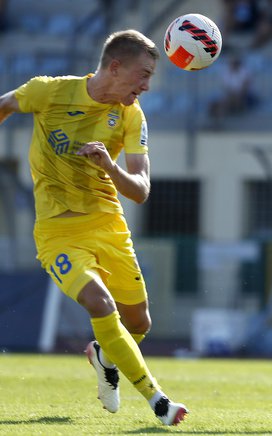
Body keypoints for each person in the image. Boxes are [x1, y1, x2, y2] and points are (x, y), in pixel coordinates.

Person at [0, 30, 187, 426]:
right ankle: (158, 401)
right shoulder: (49, 92)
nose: (147, 86)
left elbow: (140, 190)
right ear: (115, 67)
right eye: (143, 75)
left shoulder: (132, 116)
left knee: (139, 322)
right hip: (58, 234)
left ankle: (104, 355)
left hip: (109, 226)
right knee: (100, 304)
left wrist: (109, 166)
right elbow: (4, 106)